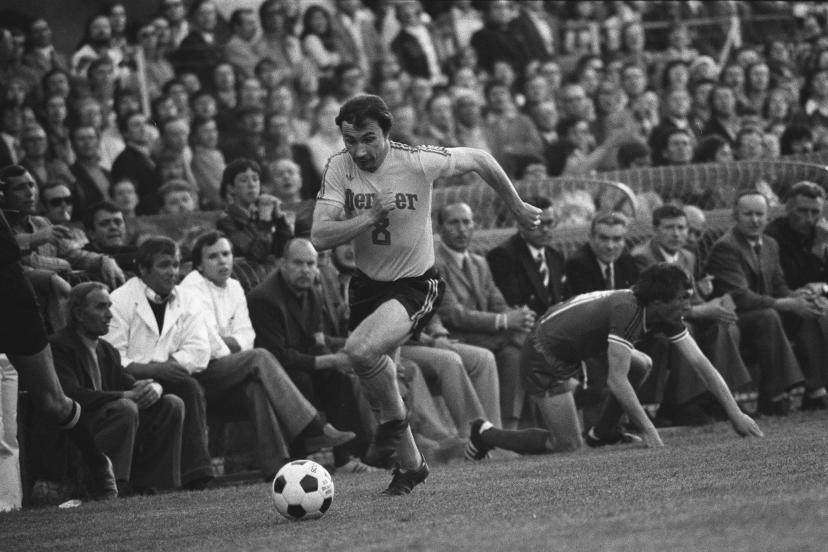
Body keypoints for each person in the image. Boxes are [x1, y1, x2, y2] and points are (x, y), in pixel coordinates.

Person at [311, 94, 541, 495]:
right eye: (350, 141)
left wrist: (517, 205)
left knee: (361, 352)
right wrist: (369, 216)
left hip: (415, 284)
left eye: (368, 139)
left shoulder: (417, 161)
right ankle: (413, 464)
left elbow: (481, 158)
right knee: (381, 375)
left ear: (386, 133)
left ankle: (399, 432)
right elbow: (318, 235)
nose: (359, 151)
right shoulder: (338, 167)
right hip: (366, 287)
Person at [464, 264, 764, 461]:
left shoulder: (661, 311)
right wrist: (650, 432)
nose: (688, 305)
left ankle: (603, 433)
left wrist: (735, 413)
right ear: (658, 302)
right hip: (545, 354)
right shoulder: (628, 310)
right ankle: (485, 433)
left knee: (642, 364)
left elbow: (700, 363)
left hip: (575, 345)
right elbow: (616, 380)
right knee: (567, 446)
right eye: (683, 298)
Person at [180, 232, 356, 478]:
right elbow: (208, 345)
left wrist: (230, 344)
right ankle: (314, 427)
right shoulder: (190, 288)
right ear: (199, 264)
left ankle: (278, 469)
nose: (222, 261)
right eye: (213, 256)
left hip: (232, 368)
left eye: (226, 254)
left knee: (257, 389)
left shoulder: (234, 286)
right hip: (201, 371)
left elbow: (246, 336)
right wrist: (232, 344)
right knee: (259, 357)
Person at [0, 202, 117, 501]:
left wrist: (50, 274)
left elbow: (13, 253)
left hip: (11, 300)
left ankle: (96, 462)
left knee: (52, 401)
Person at [247, 238, 375, 473]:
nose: (305, 270)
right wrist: (329, 360)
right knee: (303, 378)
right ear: (282, 264)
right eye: (298, 263)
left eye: (310, 264)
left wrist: (336, 360)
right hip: (274, 373)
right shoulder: (263, 298)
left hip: (301, 363)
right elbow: (276, 356)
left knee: (338, 378)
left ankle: (348, 457)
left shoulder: (313, 293)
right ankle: (300, 459)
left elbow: (315, 342)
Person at [50, 283, 184, 495]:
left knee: (172, 404)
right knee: (125, 407)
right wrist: (125, 395)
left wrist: (155, 388)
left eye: (109, 306)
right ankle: (112, 486)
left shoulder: (107, 349)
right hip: (78, 431)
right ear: (79, 314)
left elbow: (129, 382)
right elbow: (71, 394)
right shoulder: (58, 345)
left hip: (110, 422)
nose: (109, 315)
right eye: (100, 307)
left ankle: (154, 485)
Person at [104, 236, 214, 490]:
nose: (173, 272)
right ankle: (183, 479)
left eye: (175, 265)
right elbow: (113, 357)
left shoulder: (187, 298)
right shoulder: (120, 300)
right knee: (186, 387)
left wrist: (163, 370)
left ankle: (196, 476)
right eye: (164, 265)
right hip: (129, 381)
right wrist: (155, 370)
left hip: (169, 376)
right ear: (143, 269)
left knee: (188, 386)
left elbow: (199, 350)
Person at [632, 205, 751, 425]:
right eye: (669, 227)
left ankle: (722, 398)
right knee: (687, 329)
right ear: (655, 230)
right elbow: (658, 305)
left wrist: (715, 306)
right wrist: (704, 310)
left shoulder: (688, 255)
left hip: (682, 316)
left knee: (724, 325)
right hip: (654, 324)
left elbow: (691, 298)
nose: (676, 233)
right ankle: (684, 403)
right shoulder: (642, 257)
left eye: (681, 227)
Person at [705, 191, 817, 415]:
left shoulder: (770, 244)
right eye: (748, 214)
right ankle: (778, 394)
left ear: (768, 216)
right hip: (731, 318)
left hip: (761, 315)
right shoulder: (726, 247)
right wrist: (786, 303)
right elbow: (740, 296)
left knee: (812, 311)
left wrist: (799, 297)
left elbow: (779, 286)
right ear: (735, 216)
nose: (755, 220)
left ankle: (814, 390)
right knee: (769, 316)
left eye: (760, 214)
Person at [435, 202, 536, 430]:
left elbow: (497, 303)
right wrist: (504, 321)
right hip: (455, 338)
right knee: (522, 341)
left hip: (486, 337)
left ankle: (508, 427)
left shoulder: (479, 262)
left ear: (474, 225)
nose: (462, 229)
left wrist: (518, 316)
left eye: (466, 222)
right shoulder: (434, 264)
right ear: (439, 228)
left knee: (515, 351)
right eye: (454, 223)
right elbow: (452, 314)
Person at [486, 196, 566, 316]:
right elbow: (513, 304)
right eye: (538, 223)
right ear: (520, 224)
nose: (545, 229)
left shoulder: (555, 256)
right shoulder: (502, 257)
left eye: (549, 223)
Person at [564, 211, 639, 297]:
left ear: (624, 241)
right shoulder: (577, 265)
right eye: (604, 238)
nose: (610, 246)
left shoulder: (628, 262)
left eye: (617, 239)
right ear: (591, 238)